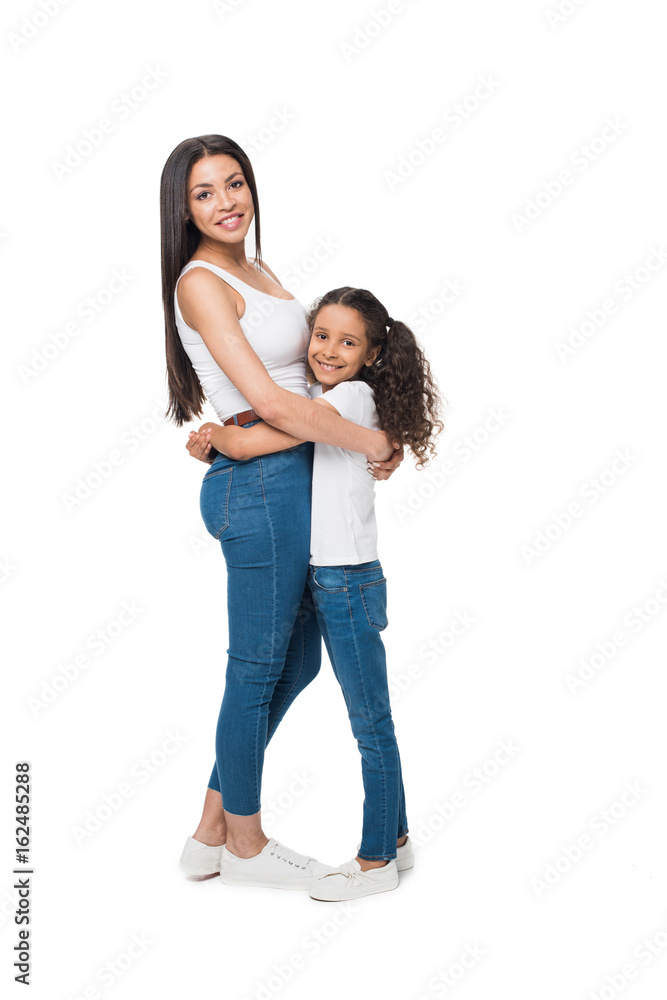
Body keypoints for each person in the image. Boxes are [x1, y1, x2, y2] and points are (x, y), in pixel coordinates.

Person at [161, 134, 403, 890]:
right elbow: (268, 400)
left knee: (291, 661)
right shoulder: (201, 282)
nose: (226, 201)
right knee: (258, 666)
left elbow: (301, 381)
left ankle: (208, 833)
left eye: (234, 183)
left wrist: (349, 438)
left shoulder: (254, 267)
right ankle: (245, 843)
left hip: (290, 475)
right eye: (205, 193)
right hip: (259, 489)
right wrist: (371, 440)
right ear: (183, 208)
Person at [188, 286, 444, 899]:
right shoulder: (341, 398)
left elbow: (255, 439)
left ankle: (377, 859)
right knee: (355, 709)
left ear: (373, 355)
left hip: (346, 580)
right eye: (321, 335)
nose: (327, 350)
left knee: (369, 722)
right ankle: (398, 840)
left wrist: (215, 438)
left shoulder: (348, 399)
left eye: (347, 341)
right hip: (330, 574)